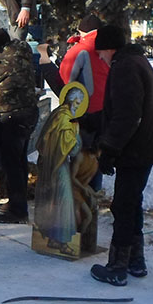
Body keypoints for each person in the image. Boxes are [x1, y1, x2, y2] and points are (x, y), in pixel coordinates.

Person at [89, 24, 153, 286]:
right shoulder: (136, 61)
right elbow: (123, 110)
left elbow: (127, 116)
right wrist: (93, 121)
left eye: (100, 52)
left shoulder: (124, 67)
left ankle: (117, 267)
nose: (100, 57)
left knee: (123, 205)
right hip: (144, 146)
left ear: (109, 48)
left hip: (136, 149)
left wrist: (109, 151)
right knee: (131, 202)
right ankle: (136, 261)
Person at [0, 28, 40, 223]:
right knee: (19, 162)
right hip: (27, 112)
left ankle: (18, 211)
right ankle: (16, 202)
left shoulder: (4, 60)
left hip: (13, 116)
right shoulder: (21, 52)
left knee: (12, 165)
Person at [33, 82, 99, 257]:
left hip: (48, 164)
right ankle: (63, 243)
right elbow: (73, 148)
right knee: (64, 202)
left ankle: (53, 239)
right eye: (77, 103)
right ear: (71, 101)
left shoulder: (56, 114)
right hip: (59, 165)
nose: (78, 107)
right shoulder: (67, 119)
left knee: (53, 201)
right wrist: (77, 136)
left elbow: (43, 141)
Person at [58, 13, 110, 190]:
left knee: (83, 156)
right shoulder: (110, 47)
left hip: (85, 111)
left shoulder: (79, 50)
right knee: (98, 153)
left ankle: (83, 196)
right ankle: (95, 192)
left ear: (82, 31)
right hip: (108, 109)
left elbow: (66, 80)